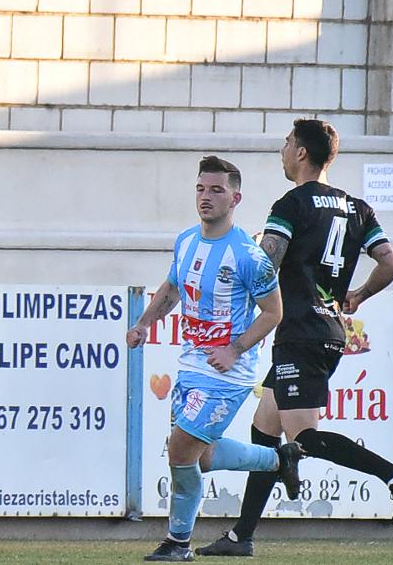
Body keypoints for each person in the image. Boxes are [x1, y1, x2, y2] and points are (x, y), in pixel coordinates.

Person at [197, 120, 393, 557]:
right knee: (265, 430)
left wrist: (236, 275)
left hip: (300, 331)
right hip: (328, 329)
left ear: (301, 153)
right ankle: (241, 536)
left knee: (304, 438)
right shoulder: (358, 208)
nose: (282, 150)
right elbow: (390, 264)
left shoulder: (292, 203)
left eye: (286, 143)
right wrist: (356, 294)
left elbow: (267, 262)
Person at [125, 156, 301, 562]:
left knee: (180, 450)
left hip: (228, 373)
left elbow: (274, 312)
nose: (206, 197)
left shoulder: (249, 255)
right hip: (190, 365)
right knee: (200, 457)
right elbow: (172, 287)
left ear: (235, 198)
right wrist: (144, 323)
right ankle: (279, 458)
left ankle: (177, 543)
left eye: (216, 190)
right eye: (201, 189)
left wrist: (235, 348)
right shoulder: (186, 240)